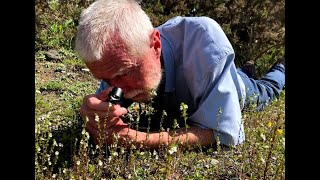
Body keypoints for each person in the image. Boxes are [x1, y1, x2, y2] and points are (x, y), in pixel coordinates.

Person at [74, 0, 285, 150]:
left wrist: (139, 139)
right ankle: (245, 69)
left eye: (124, 73)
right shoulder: (121, 60)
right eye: (104, 79)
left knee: (266, 89)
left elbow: (227, 133)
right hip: (211, 75)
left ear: (155, 45)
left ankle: (279, 69)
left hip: (238, 89)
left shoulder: (205, 42)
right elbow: (105, 103)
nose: (117, 89)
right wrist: (92, 113)